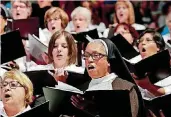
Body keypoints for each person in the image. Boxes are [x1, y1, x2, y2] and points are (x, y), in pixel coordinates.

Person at [70, 39, 146, 117]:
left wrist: (91, 109)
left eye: (96, 55)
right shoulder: (82, 89)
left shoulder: (125, 88)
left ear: (109, 61)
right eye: (86, 56)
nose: (89, 60)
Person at [134, 29, 171, 98]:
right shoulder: (134, 68)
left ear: (158, 47)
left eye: (148, 40)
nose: (143, 43)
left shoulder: (168, 64)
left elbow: (168, 93)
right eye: (140, 41)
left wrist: (148, 86)